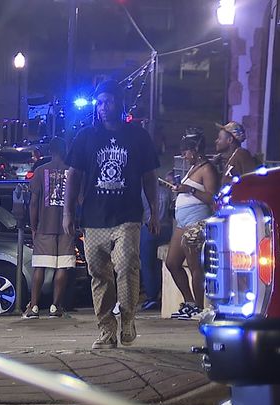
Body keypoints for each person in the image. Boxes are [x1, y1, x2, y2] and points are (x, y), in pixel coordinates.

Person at [63, 79, 160, 349]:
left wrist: (154, 211)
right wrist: (67, 212)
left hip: (128, 215)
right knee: (99, 274)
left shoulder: (137, 136)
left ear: (120, 102)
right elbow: (74, 175)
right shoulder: (86, 136)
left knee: (127, 264)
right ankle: (106, 330)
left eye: (108, 101)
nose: (103, 107)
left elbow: (149, 175)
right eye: (100, 102)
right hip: (94, 217)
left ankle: (127, 317)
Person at [166, 130, 219, 321]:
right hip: (182, 221)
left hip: (197, 221)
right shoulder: (193, 167)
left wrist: (188, 189)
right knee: (172, 263)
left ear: (196, 150)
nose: (185, 156)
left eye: (187, 152)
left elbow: (212, 197)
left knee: (195, 266)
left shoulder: (207, 169)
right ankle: (188, 302)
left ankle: (198, 305)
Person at [23, 139, 72, 319]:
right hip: (67, 227)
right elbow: (79, 200)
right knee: (62, 267)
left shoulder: (40, 171)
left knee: (40, 267)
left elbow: (34, 202)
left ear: (50, 150)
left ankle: (34, 307)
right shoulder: (72, 171)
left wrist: (34, 225)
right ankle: (55, 306)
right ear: (65, 148)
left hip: (44, 225)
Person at [139, 171, 174, 311]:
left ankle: (151, 297)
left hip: (149, 228)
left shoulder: (143, 192)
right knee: (161, 264)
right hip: (166, 229)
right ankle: (161, 294)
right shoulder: (167, 192)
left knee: (148, 265)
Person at [213, 121, 256, 185]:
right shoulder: (224, 158)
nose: (216, 141)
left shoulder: (242, 154)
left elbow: (251, 181)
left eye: (219, 138)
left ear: (230, 140)